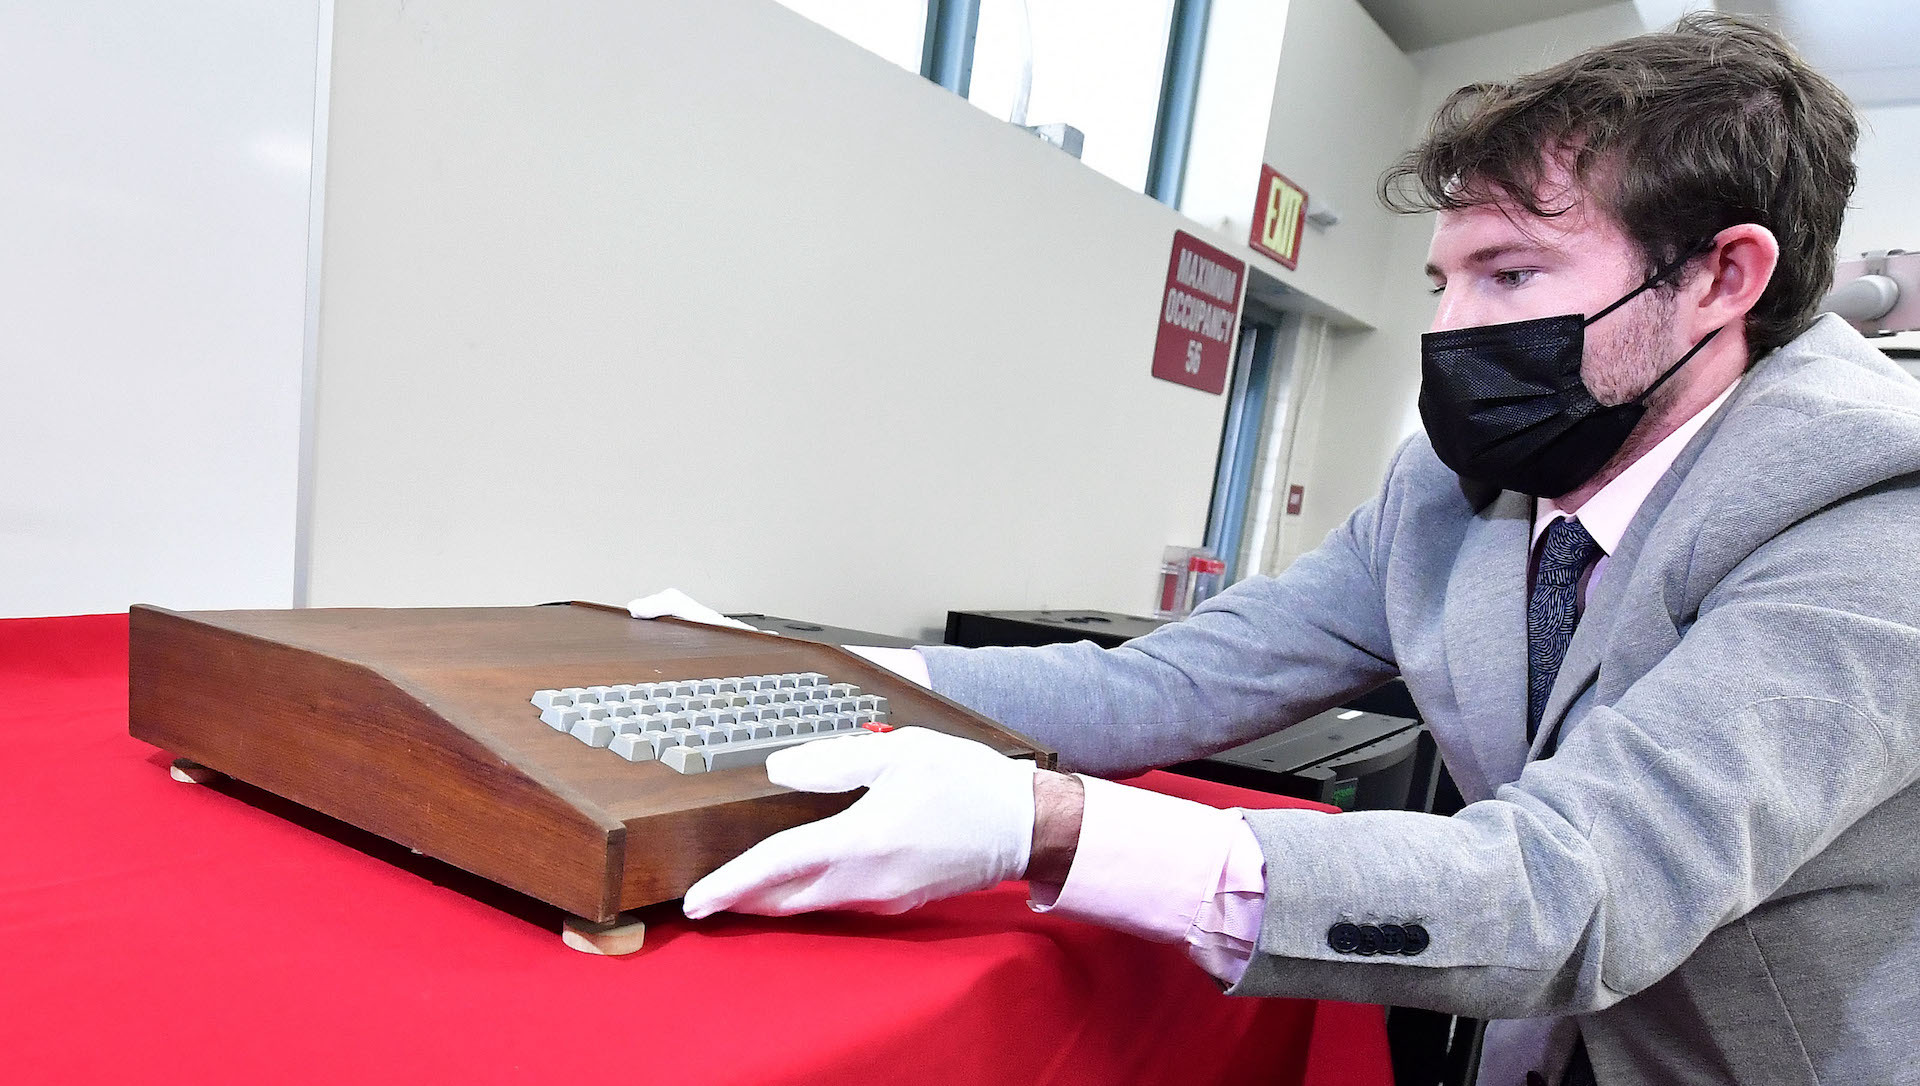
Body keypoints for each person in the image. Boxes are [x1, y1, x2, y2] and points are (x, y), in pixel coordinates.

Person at [654, 14, 1920, 1086]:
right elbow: (1162, 685)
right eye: (1444, 282)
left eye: (1513, 273)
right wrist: (794, 665)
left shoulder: (1873, 513)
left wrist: (1040, 827)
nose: (1453, 331)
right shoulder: (1450, 489)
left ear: (1719, 278)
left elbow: (1573, 881)